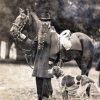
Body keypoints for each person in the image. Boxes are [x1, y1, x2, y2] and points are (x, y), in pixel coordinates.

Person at [18, 12, 54, 100]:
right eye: (43, 21)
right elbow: (33, 45)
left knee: (46, 79)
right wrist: (24, 38)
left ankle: (46, 96)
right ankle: (39, 96)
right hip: (38, 60)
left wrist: (52, 59)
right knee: (38, 79)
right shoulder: (39, 34)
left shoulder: (53, 34)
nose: (44, 23)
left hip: (47, 61)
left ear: (49, 23)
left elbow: (55, 48)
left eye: (46, 21)